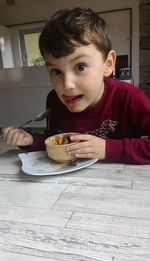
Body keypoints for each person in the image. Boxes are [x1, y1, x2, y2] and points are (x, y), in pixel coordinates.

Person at [1, 7, 150, 164]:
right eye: (56, 71)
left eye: (80, 67)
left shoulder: (130, 98)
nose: (67, 85)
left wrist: (107, 149)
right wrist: (31, 140)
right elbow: (57, 142)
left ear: (108, 64)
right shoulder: (54, 100)